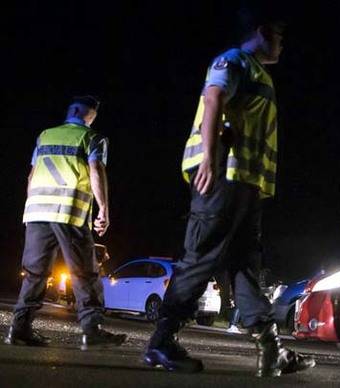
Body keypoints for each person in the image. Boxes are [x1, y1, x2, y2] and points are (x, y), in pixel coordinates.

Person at [144, 6, 315, 377]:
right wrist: (208, 159)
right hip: (223, 179)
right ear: (260, 31)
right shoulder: (232, 60)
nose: (283, 44)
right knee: (201, 257)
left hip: (246, 186)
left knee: (245, 264)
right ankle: (161, 341)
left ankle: (272, 350)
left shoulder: (258, 73)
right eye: (279, 35)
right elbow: (213, 98)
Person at [5, 96, 127, 350]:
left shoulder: (45, 135)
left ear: (71, 110)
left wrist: (29, 209)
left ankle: (19, 328)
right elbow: (96, 170)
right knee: (85, 272)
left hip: (37, 212)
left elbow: (31, 174)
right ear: (90, 115)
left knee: (35, 273)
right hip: (69, 211)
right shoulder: (93, 138)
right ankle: (91, 330)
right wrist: (103, 208)